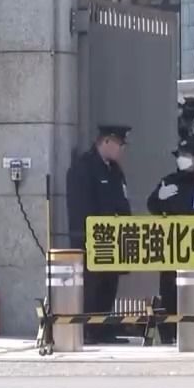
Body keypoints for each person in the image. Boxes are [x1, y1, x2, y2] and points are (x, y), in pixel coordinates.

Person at [147, 140, 194, 343]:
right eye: (179, 156)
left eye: (185, 156)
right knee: (168, 289)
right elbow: (152, 205)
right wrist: (159, 197)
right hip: (171, 246)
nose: (181, 159)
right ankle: (168, 332)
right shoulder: (170, 181)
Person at [67, 124, 132, 344]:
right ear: (106, 141)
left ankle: (104, 329)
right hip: (91, 240)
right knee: (92, 287)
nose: (122, 150)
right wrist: (85, 239)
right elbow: (80, 209)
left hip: (113, 239)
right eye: (119, 145)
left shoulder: (115, 171)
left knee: (109, 285)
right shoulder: (84, 168)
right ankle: (89, 330)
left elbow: (122, 202)